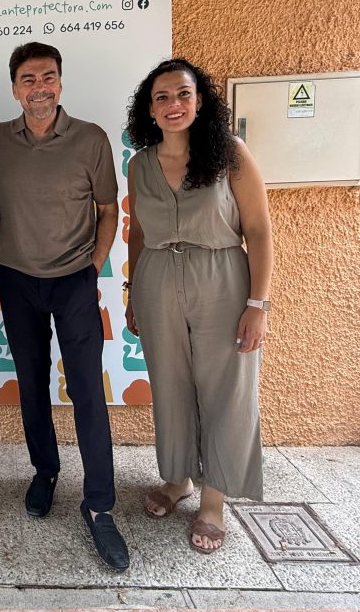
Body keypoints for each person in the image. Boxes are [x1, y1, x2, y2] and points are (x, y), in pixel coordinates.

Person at [0, 42, 128, 570]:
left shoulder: (91, 139)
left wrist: (94, 265)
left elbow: (108, 209)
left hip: (74, 282)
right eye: (28, 79)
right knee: (32, 384)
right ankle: (45, 471)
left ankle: (99, 504)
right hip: (17, 281)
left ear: (60, 83)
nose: (39, 88)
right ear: (14, 89)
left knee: (87, 391)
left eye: (47, 77)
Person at [124, 58, 272, 554]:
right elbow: (137, 232)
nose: (174, 104)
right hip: (156, 281)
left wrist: (258, 304)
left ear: (200, 100)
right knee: (170, 385)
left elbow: (259, 230)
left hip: (222, 279)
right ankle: (178, 478)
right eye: (162, 97)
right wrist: (132, 292)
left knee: (226, 389)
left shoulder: (230, 154)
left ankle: (214, 499)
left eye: (183, 94)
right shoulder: (139, 165)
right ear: (149, 109)